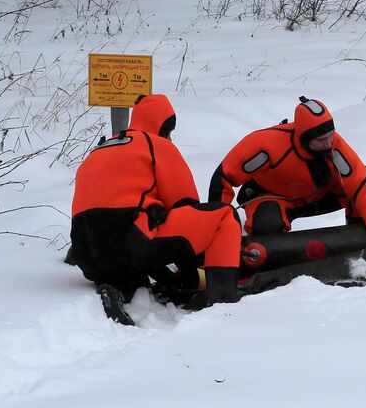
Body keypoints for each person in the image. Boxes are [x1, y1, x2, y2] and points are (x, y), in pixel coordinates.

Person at [69, 94, 243, 325]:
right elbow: (186, 204)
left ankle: (120, 289)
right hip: (131, 240)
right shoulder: (157, 145)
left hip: (86, 252)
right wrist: (192, 269)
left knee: (132, 256)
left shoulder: (99, 150)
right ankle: (222, 299)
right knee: (223, 216)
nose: (170, 137)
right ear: (162, 126)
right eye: (169, 130)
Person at [208, 96, 366, 245]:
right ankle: (272, 258)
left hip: (319, 196)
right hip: (277, 199)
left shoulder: (333, 144)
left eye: (330, 136)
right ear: (304, 137)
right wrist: (218, 226)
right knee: (266, 222)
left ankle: (358, 235)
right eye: (321, 140)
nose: (329, 143)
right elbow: (224, 177)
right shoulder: (267, 145)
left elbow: (359, 183)